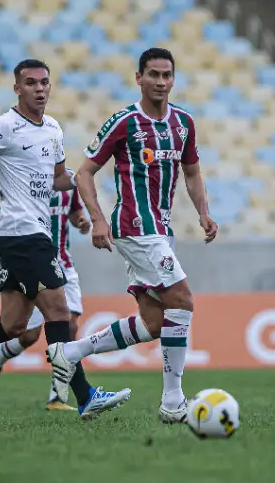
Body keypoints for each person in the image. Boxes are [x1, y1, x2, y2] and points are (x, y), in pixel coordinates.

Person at [0, 58, 130, 420]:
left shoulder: (53, 129)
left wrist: (87, 173)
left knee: (12, 325)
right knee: (59, 313)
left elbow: (58, 179)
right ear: (17, 88)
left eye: (44, 82)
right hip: (21, 233)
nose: (39, 88)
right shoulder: (4, 126)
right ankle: (85, 396)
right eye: (30, 83)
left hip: (30, 233)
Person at [45, 47, 218, 424]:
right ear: (139, 78)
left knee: (154, 323)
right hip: (135, 227)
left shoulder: (184, 123)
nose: (160, 82)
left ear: (173, 79)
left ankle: (70, 352)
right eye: (153, 74)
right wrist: (97, 219)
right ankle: (172, 402)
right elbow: (84, 172)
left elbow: (191, 172)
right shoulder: (124, 122)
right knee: (182, 300)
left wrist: (203, 212)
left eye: (167, 75)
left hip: (161, 232)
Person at [0, 188, 90, 412]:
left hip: (64, 264)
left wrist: (81, 221)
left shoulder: (69, 183)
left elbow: (75, 211)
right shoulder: (22, 179)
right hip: (34, 263)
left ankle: (57, 395)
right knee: (28, 335)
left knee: (69, 326)